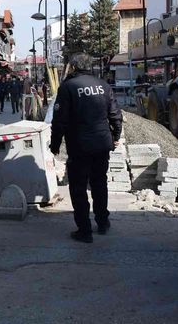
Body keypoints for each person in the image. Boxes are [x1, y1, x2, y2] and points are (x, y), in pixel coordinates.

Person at [49, 53, 122, 244]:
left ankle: (84, 230)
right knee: (99, 183)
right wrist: (115, 137)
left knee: (79, 188)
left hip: (79, 145)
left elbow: (59, 121)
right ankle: (103, 222)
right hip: (101, 144)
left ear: (73, 67)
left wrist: (55, 144)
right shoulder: (103, 85)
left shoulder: (68, 87)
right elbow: (115, 114)